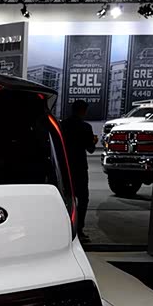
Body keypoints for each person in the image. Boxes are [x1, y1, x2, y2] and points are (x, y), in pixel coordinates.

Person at [61, 100, 98, 242]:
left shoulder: (62, 125)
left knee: (66, 198)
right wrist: (93, 141)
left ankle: (65, 228)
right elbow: (90, 149)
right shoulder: (86, 127)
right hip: (80, 168)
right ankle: (79, 229)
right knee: (83, 199)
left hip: (66, 167)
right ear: (83, 111)